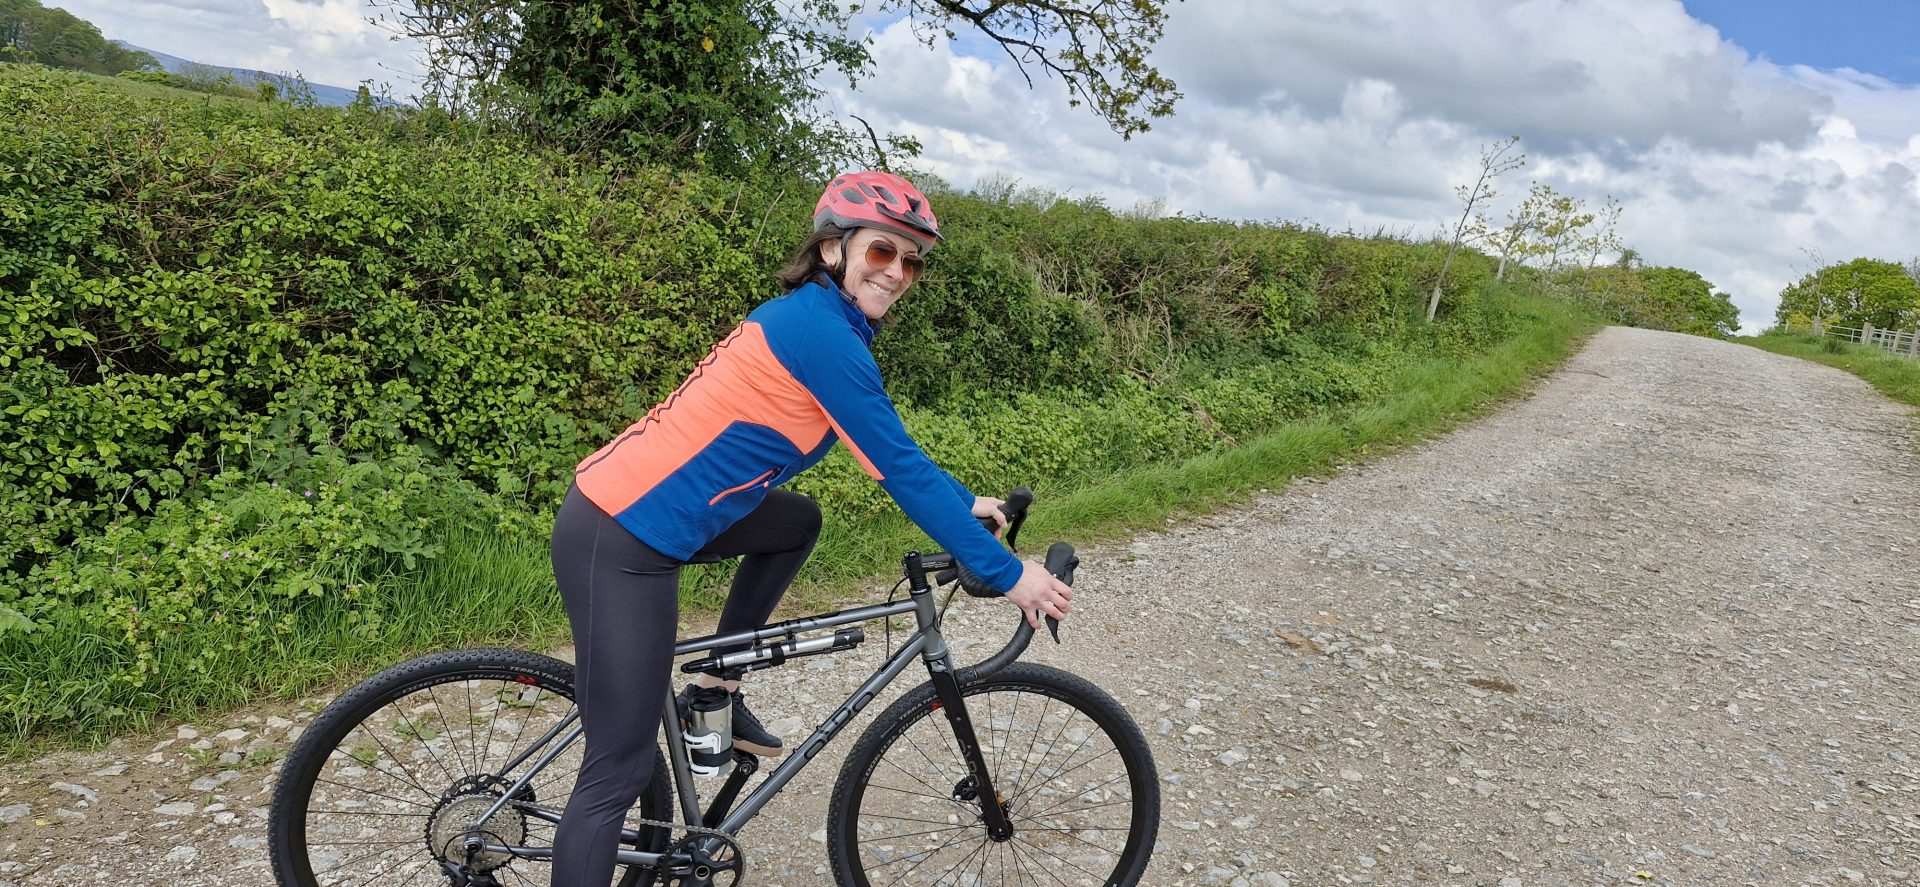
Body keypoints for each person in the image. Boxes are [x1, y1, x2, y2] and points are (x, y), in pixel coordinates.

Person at [546, 170, 1076, 885]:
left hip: (663, 514)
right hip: (621, 535)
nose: (898, 272)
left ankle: (712, 687)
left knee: (796, 520)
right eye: (883, 252)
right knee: (617, 769)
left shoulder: (826, 325)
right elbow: (898, 469)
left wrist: (966, 502)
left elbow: (889, 448)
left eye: (912, 260)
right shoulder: (820, 334)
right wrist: (1014, 574)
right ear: (834, 250)